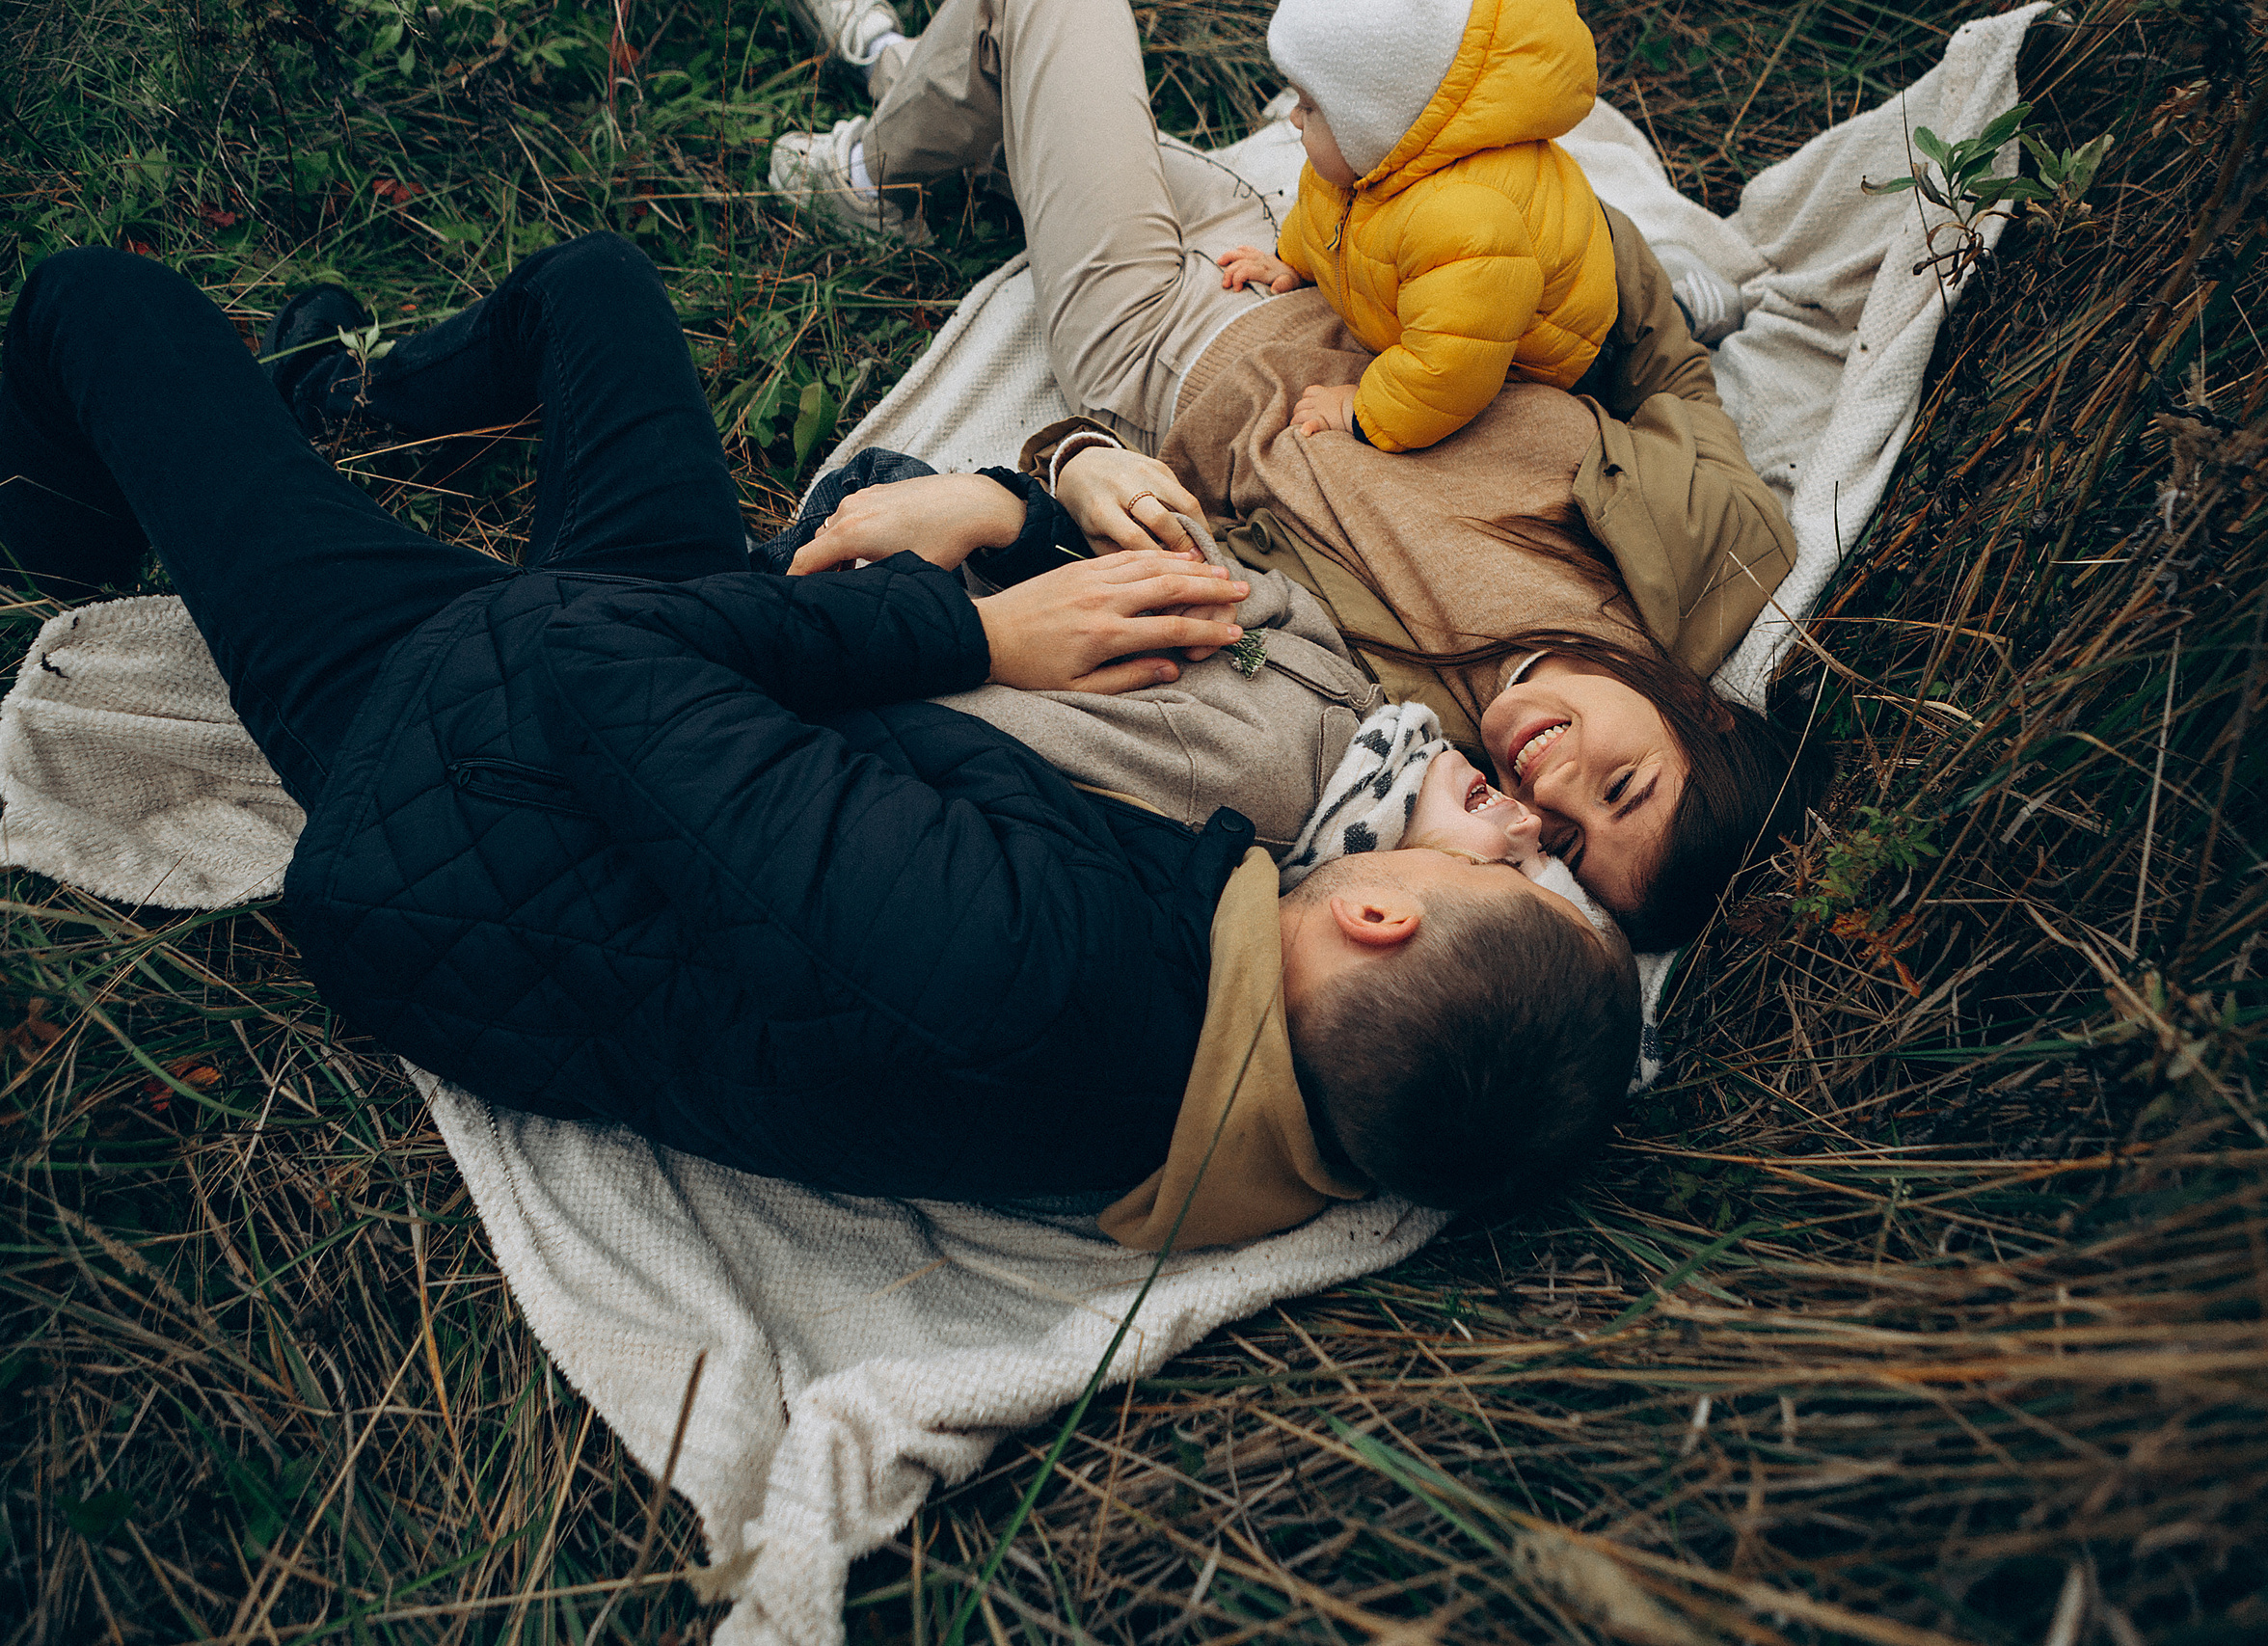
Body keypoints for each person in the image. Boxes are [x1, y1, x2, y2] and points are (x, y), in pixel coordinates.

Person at [0, 234, 1642, 1250]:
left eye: (1518, 874)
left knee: (98, 301)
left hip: (448, 745)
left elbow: (585, 660)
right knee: (597, 287)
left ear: (1381, 912)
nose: (1514, 825)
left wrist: (976, 633)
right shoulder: (1227, 1081)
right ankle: (351, 398)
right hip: (668, 686)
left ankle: (54, 530)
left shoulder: (1039, 962)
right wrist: (1006, 519)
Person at [775, 0, 1827, 956]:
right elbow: (1667, 368)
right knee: (1032, 94)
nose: (1551, 790)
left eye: (1567, 843)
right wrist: (1579, 248)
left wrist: (1072, 458)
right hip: (1321, 245)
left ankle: (876, 156)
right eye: (1622, 787)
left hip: (1157, 341)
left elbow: (1148, 560)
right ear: (1705, 715)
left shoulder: (1394, 742)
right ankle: (908, 98)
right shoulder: (1715, 551)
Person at [1211, 0, 1617, 454]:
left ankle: (1668, 333)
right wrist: (1290, 261)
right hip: (1512, 291)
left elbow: (1453, 365)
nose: (1293, 117)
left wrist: (1362, 410)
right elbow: (1325, 216)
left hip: (1571, 349)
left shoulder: (1458, 222)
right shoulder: (1356, 168)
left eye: (1309, 105)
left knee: (1642, 378)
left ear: (1373, 123)